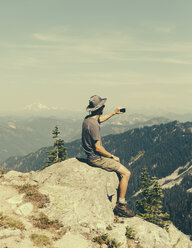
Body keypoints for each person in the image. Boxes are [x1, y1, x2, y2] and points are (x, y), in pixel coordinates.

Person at [82, 95, 134, 217]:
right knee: (126, 173)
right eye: (103, 106)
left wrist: (114, 113)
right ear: (100, 108)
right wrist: (111, 156)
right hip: (96, 159)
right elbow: (98, 148)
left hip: (90, 156)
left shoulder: (88, 119)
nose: (104, 107)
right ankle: (121, 205)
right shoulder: (94, 125)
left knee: (120, 169)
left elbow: (99, 120)